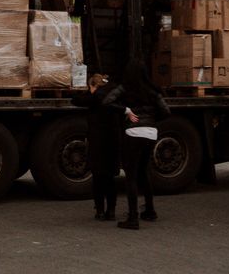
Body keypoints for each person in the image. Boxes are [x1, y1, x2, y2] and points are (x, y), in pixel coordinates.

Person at [101, 61, 172, 230]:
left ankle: (133, 218)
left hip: (133, 133)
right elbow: (166, 112)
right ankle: (150, 210)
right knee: (143, 172)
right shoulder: (153, 90)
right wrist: (152, 121)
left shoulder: (125, 88)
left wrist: (126, 110)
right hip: (151, 133)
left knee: (131, 176)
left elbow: (106, 102)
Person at [71, 72, 120, 220]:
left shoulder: (94, 98)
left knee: (98, 177)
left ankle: (99, 210)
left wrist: (88, 90)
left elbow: (76, 100)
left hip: (98, 142)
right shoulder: (113, 96)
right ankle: (111, 211)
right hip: (113, 142)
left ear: (94, 86)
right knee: (110, 178)